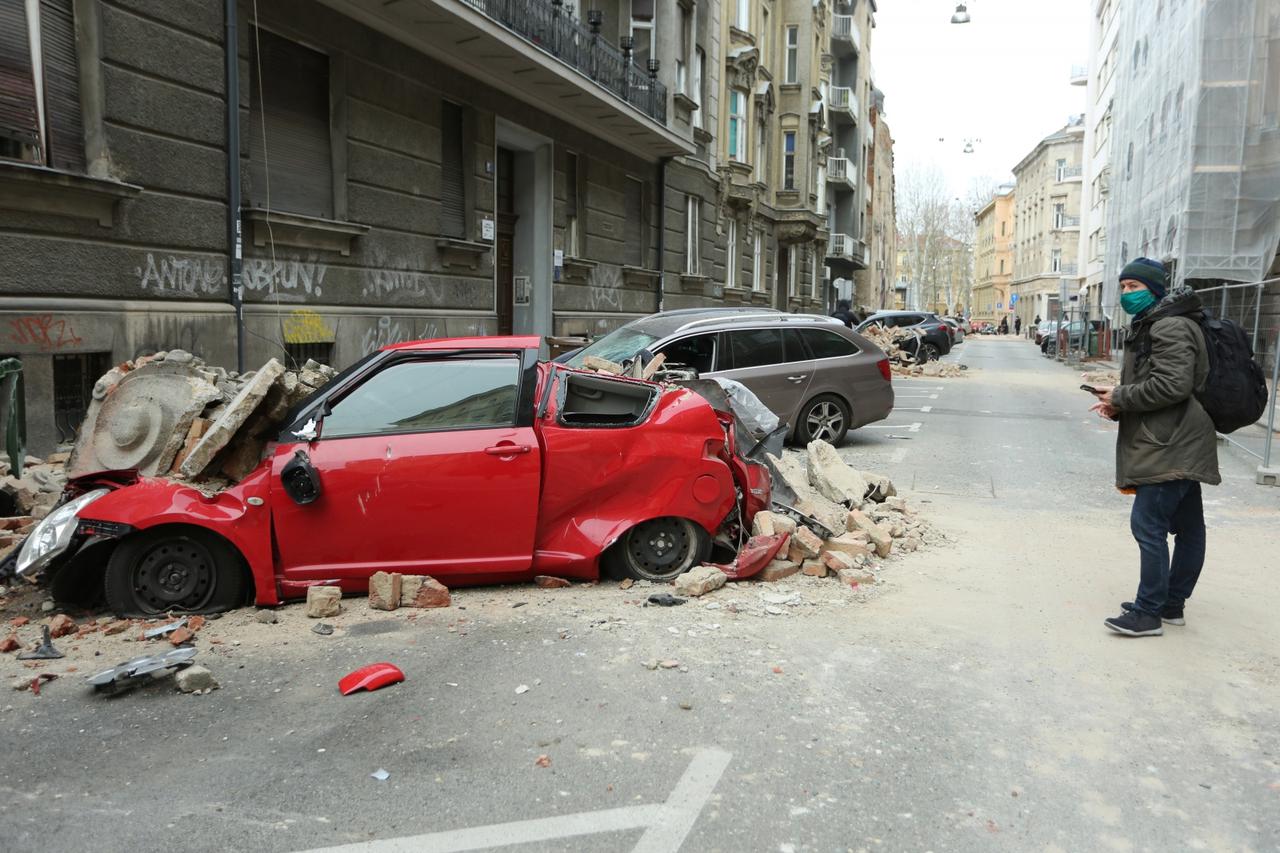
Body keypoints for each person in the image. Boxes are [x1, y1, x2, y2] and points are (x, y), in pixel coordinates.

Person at [1089, 258, 1219, 637]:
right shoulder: (1158, 323)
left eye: (1134, 286)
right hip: (1172, 436)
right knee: (1189, 526)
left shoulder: (1170, 326)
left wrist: (1120, 395)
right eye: (1124, 286)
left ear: (1156, 289)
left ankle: (1149, 614)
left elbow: (1173, 386)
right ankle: (1170, 605)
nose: (1127, 293)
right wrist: (1118, 404)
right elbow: (1159, 385)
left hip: (1171, 441)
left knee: (1148, 524)